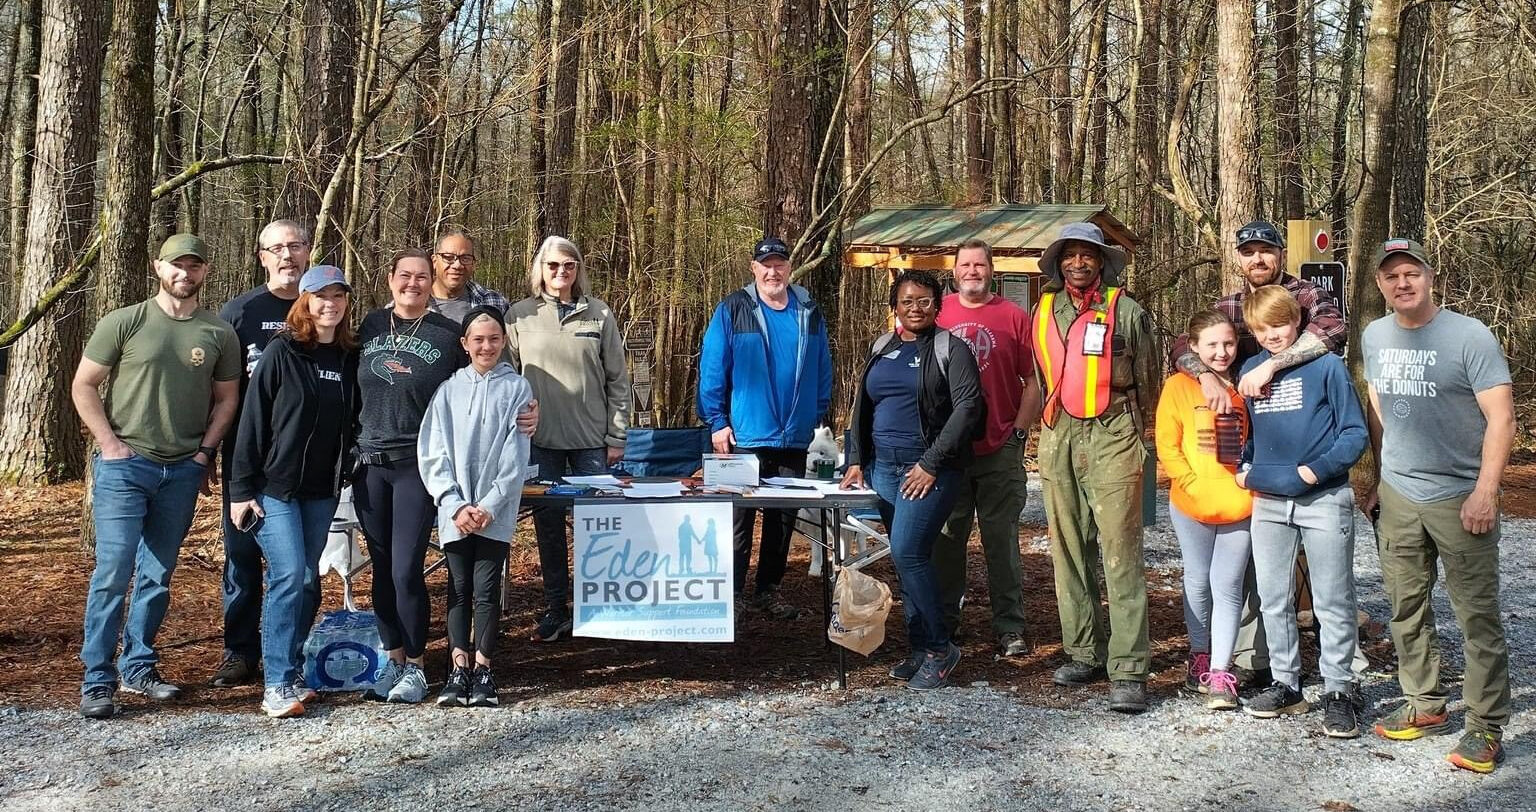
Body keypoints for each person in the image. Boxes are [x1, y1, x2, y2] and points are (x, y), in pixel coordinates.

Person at [1167, 220, 1348, 690]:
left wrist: (1272, 361)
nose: (1257, 260)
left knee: (1310, 582)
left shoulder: (1305, 297)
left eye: (1265, 251)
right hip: (1251, 451)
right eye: (1248, 252)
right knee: (1252, 576)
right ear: (1239, 257)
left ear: (1280, 253)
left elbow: (1334, 329)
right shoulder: (1227, 304)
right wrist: (1204, 374)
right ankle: (1246, 659)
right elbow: (1184, 342)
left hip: (1305, 444)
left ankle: (1327, 674)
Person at [1362, 238, 1515, 773]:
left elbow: (1501, 417)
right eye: (1391, 277)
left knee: (1476, 616)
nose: (1402, 283)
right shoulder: (1375, 335)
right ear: (1380, 285)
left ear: (1430, 278)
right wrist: (1381, 478)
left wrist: (1485, 491)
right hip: (1401, 494)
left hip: (1460, 495)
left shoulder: (1469, 336)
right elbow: (1378, 406)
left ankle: (1485, 725)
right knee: (1406, 606)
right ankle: (1425, 704)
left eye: (1411, 273)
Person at [73, 234, 242, 719]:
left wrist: (204, 453)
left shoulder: (217, 333)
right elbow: (84, 385)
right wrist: (109, 444)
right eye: (175, 266)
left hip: (182, 471)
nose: (184, 274)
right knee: (113, 572)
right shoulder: (125, 321)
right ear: (158, 268)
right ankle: (98, 680)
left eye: (193, 266)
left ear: (205, 272)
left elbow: (227, 398)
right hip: (126, 468)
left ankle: (140, 666)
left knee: (157, 575)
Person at [1030, 222, 1158, 714]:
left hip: (1114, 431)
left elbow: (1149, 378)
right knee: (1067, 548)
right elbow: (1038, 376)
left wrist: (1145, 441)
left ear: (1102, 262)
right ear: (1059, 262)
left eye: (1088, 255)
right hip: (1058, 432)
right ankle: (1084, 650)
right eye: (1070, 255)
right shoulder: (1042, 311)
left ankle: (1128, 669)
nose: (1079, 263)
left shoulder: (1126, 310)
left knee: (1121, 553)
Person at [1235, 284, 1367, 738]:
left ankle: (1338, 689)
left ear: (1297, 321)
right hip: (1268, 502)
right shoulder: (1251, 371)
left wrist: (1315, 472)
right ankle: (1287, 684)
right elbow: (1246, 436)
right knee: (1274, 597)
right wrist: (1244, 468)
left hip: (1323, 499)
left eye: (1281, 324)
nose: (1274, 335)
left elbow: (1354, 433)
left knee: (1332, 599)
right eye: (1263, 328)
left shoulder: (1327, 367)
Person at [227, 266, 358, 718]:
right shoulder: (282, 353)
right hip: (273, 488)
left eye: (338, 297)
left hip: (321, 490)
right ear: (305, 302)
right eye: (321, 297)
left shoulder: (348, 356)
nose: (330, 305)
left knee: (308, 579)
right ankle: (277, 683)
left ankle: (295, 667)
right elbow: (252, 423)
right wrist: (240, 489)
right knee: (289, 577)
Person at [842, 270, 983, 691]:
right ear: (895, 307)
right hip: (882, 468)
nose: (915, 308)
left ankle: (941, 648)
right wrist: (855, 458)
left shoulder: (950, 349)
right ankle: (919, 648)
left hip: (928, 470)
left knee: (907, 552)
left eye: (924, 300)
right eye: (907, 301)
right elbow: (860, 407)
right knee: (908, 560)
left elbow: (968, 409)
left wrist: (931, 462)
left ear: (937, 305)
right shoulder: (882, 347)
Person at [354, 248, 470, 703]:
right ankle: (394, 659)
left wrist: (523, 409)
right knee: (380, 570)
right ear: (390, 279)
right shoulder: (367, 327)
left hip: (416, 466)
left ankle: (418, 667)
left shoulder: (448, 335)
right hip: (369, 466)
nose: (414, 284)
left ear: (432, 282)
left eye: (423, 277)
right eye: (406, 276)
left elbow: (478, 384)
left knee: (406, 569)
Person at [698, 236, 833, 619]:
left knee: (783, 518)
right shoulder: (733, 309)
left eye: (779, 264)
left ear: (789, 268)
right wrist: (718, 421)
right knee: (738, 518)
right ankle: (734, 592)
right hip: (745, 435)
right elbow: (712, 368)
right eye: (766, 265)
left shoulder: (808, 310)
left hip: (794, 435)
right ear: (754, 269)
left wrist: (816, 413)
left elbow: (823, 366)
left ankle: (768, 589)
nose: (773, 271)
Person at [506, 235, 629, 641]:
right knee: (550, 530)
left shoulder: (599, 314)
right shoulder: (518, 316)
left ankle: (602, 610)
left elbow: (618, 380)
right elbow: (505, 382)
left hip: (592, 442)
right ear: (540, 268)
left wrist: (617, 435)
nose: (561, 273)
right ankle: (556, 608)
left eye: (569, 266)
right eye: (553, 265)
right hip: (539, 443)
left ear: (579, 270)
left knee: (601, 529)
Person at [213, 218, 312, 689]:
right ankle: (239, 651)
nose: (287, 255)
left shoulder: (322, 308)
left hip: (306, 462)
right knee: (243, 559)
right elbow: (216, 389)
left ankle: (293, 646)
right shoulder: (239, 313)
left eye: (295, 246)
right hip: (245, 457)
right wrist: (208, 452)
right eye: (277, 248)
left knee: (300, 566)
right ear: (262, 256)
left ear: (309, 251)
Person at [418, 306, 534, 708]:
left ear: (504, 341)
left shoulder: (518, 388)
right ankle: (457, 667)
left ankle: (483, 669)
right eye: (478, 339)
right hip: (455, 511)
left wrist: (489, 505)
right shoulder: (448, 390)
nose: (486, 346)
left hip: (494, 511)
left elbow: (516, 454)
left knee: (486, 589)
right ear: (465, 344)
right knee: (458, 586)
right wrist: (453, 503)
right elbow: (432, 451)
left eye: (494, 338)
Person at [932, 238, 1042, 656]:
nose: (972, 271)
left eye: (980, 264)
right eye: (965, 265)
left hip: (999, 447)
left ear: (992, 270)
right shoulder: (936, 312)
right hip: (948, 451)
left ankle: (1010, 626)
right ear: (954, 270)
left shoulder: (1014, 317)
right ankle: (945, 623)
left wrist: (1019, 433)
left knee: (1002, 543)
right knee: (946, 542)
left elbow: (1032, 381)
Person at [1154, 310, 1253, 711]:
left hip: (1240, 502)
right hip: (1191, 502)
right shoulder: (1179, 386)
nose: (1222, 352)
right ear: (1193, 348)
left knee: (1227, 585)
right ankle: (1198, 652)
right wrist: (1189, 483)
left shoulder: (1248, 384)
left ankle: (1220, 672)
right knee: (1197, 579)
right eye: (1211, 344)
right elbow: (1168, 444)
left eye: (1228, 343)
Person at [428, 228, 511, 323]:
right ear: (434, 261)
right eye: (449, 257)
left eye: (465, 258)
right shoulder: (414, 300)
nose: (457, 265)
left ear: (474, 264)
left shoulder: (495, 303)